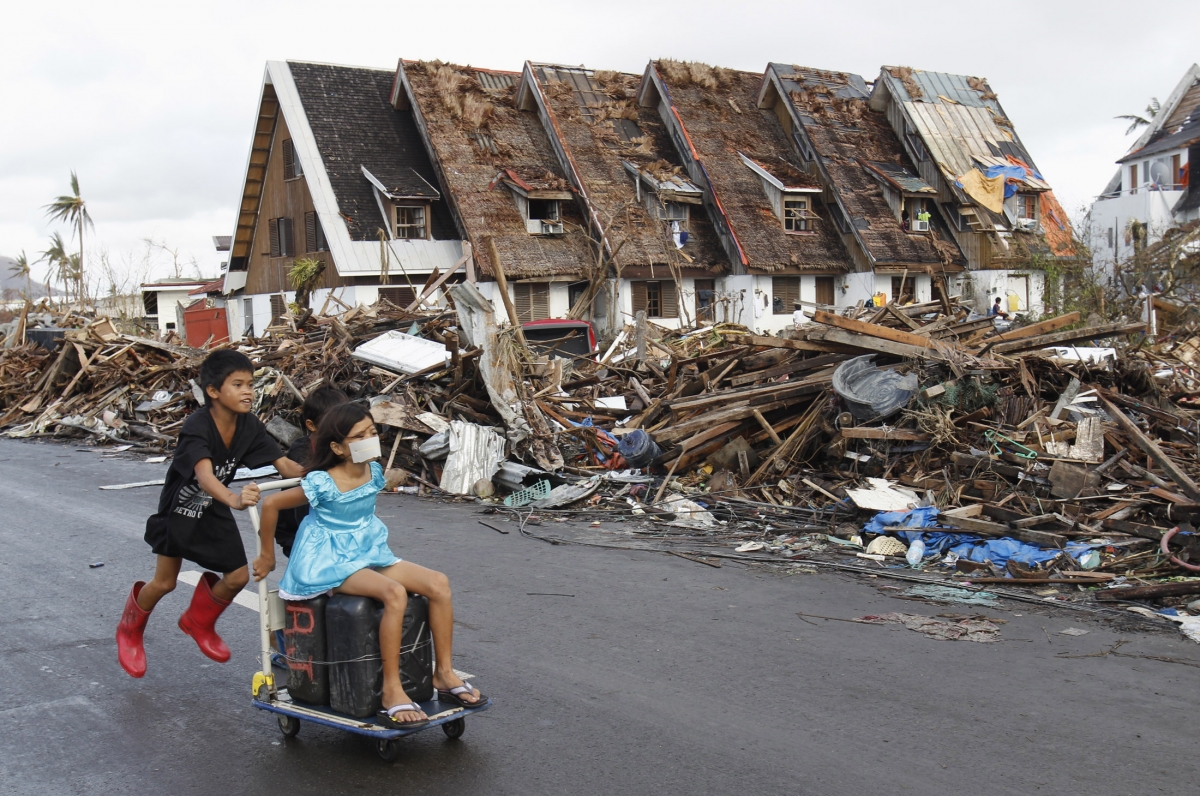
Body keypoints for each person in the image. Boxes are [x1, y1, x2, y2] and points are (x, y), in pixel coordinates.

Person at [252, 403, 485, 729]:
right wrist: (267, 555)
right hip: (328, 559)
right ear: (337, 447)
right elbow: (272, 503)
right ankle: (391, 689)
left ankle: (444, 674)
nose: (370, 440)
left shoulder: (373, 472)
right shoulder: (323, 481)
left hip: (367, 550)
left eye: (372, 432)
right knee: (393, 593)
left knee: (438, 584)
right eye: (359, 436)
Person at [115, 350, 307, 679]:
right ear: (214, 392)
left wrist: (326, 476)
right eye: (238, 384)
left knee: (237, 577)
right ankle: (129, 630)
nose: (248, 391)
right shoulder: (198, 425)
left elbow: (284, 464)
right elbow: (204, 476)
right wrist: (234, 499)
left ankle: (198, 620)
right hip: (182, 509)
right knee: (164, 582)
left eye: (250, 384)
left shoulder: (247, 424)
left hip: (214, 508)